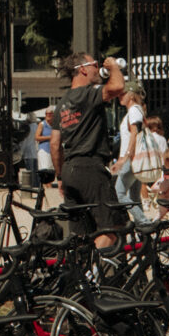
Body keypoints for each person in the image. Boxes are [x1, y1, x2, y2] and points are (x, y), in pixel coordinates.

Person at [55, 48, 127, 250]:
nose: (98, 68)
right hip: (90, 168)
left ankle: (78, 277)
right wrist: (113, 66)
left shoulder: (62, 104)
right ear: (83, 70)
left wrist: (60, 176)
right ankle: (92, 275)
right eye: (94, 64)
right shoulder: (88, 93)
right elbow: (118, 86)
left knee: (81, 236)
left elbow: (54, 143)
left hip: (70, 170)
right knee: (112, 229)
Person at [113, 80, 159, 229]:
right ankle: (142, 228)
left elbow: (134, 133)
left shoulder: (134, 110)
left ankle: (144, 222)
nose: (119, 97)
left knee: (118, 192)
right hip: (134, 158)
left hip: (132, 159)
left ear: (131, 95)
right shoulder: (136, 110)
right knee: (133, 196)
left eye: (122, 94)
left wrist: (125, 157)